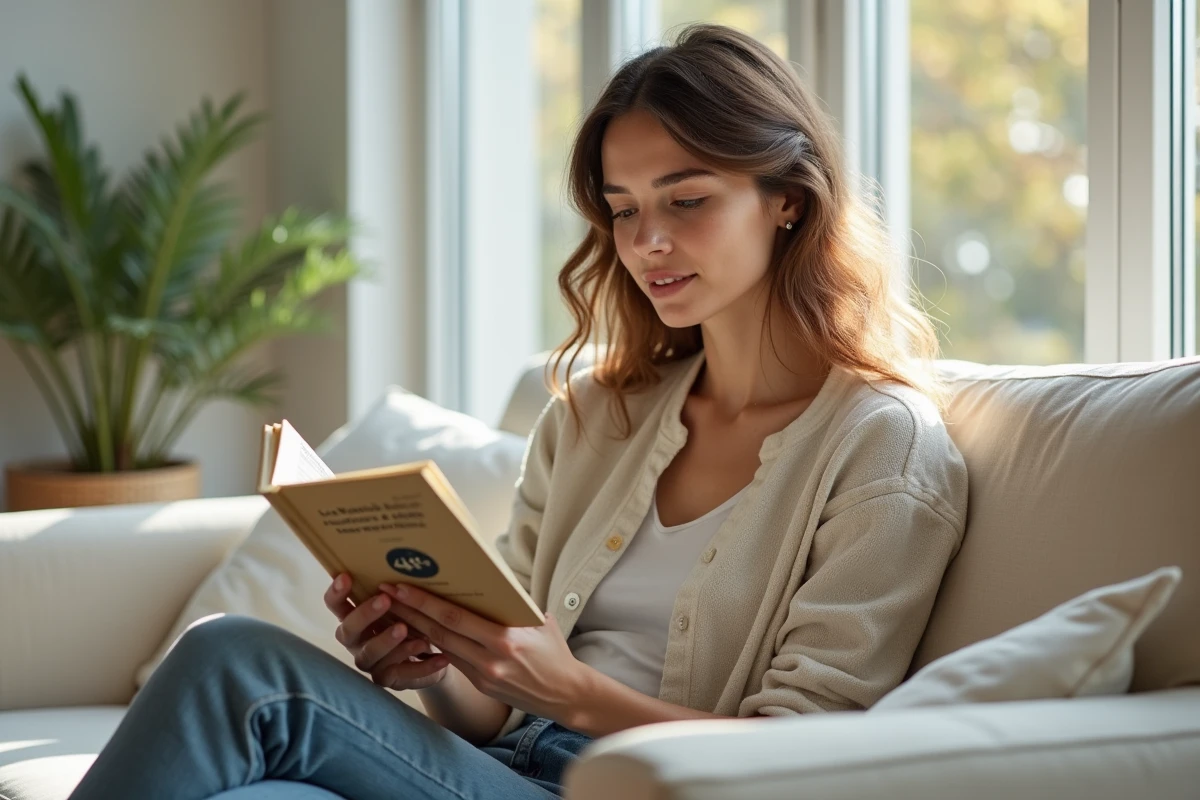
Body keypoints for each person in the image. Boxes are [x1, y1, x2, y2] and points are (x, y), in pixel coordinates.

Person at [68, 22, 968, 800]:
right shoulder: (595, 416)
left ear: (788, 201)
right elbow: (493, 711)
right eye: (623, 210)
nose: (647, 242)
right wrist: (434, 662)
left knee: (234, 660)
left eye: (687, 200)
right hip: (500, 767)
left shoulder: (884, 447)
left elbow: (808, 755)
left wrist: (572, 693)